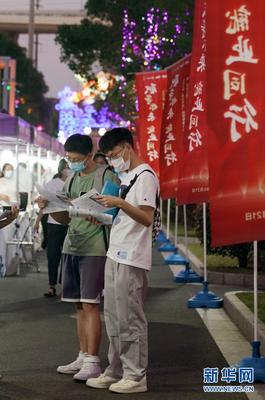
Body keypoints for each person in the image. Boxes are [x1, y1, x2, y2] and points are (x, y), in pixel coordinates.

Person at [37, 134, 119, 382]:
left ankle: (93, 361)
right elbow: (66, 218)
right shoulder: (71, 177)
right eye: (69, 158)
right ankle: (83, 355)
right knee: (77, 304)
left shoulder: (107, 176)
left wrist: (99, 214)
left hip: (95, 247)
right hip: (72, 244)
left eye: (75, 159)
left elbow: (113, 214)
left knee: (90, 303)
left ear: (90, 156)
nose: (72, 163)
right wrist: (50, 206)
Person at [86, 128, 159, 394]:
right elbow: (124, 218)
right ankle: (115, 370)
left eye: (114, 155)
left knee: (131, 318)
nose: (113, 160)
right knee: (114, 317)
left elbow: (146, 217)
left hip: (132, 256)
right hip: (115, 251)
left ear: (127, 147)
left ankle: (136, 375)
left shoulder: (146, 176)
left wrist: (119, 202)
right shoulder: (127, 176)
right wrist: (102, 215)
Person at [34, 159, 69, 297]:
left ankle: (64, 285)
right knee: (53, 255)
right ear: (62, 169)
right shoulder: (53, 183)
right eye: (67, 167)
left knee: (67, 256)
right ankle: (52, 285)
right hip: (53, 224)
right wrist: (37, 221)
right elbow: (43, 203)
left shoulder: (74, 182)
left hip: (70, 224)